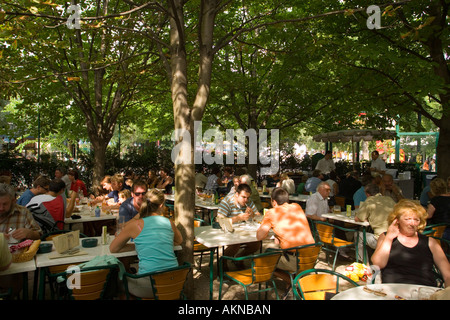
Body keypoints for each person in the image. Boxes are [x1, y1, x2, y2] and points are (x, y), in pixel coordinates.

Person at [110, 189, 182, 299]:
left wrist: (142, 244)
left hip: (149, 285)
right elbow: (179, 241)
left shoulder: (135, 225)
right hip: (173, 283)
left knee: (117, 279)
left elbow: (113, 248)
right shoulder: (169, 222)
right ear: (161, 205)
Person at [371, 199, 450, 287]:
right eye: (407, 219)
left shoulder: (430, 242)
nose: (412, 223)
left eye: (416, 220)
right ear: (397, 220)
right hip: (394, 291)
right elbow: (378, 264)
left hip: (424, 291)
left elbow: (448, 274)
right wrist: (389, 238)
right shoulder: (386, 237)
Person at [256, 188, 315, 282]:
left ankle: (295, 283)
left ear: (274, 202)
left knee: (262, 260)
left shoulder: (271, 212)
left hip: (295, 261)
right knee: (279, 251)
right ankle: (293, 281)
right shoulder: (297, 206)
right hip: (312, 256)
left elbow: (260, 236)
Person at [217, 184, 261, 270]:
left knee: (256, 244)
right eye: (243, 197)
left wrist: (253, 215)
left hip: (243, 231)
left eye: (248, 197)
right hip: (229, 231)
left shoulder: (249, 201)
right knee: (235, 244)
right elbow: (219, 220)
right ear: (237, 194)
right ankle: (223, 262)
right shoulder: (227, 202)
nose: (246, 200)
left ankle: (238, 258)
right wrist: (238, 218)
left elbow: (258, 216)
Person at [354, 183, 396, 261]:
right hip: (395, 237)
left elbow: (358, 218)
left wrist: (366, 218)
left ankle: (363, 263)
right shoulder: (389, 199)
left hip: (380, 239)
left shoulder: (369, 200)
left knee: (358, 235)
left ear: (367, 194)